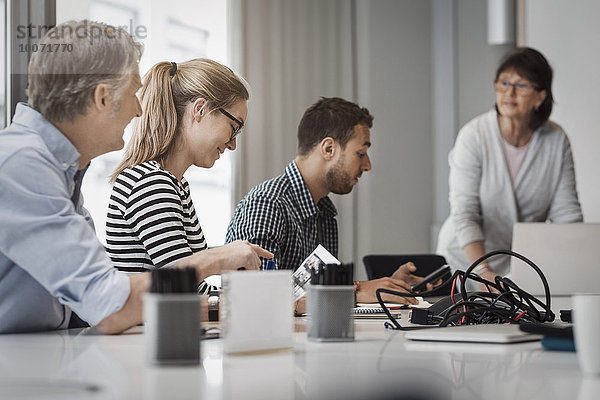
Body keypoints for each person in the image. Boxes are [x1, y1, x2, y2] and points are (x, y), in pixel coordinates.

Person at [0, 20, 271, 334]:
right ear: (103, 99)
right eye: (133, 94)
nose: (140, 110)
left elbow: (97, 292)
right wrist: (213, 260)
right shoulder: (24, 166)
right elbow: (109, 305)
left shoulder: (54, 168)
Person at [226, 97, 431, 310]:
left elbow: (306, 290)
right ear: (328, 149)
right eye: (360, 153)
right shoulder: (268, 204)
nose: (367, 165)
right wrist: (355, 290)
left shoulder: (323, 212)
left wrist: (390, 287)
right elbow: (251, 297)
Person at [105, 58, 259, 294]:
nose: (233, 144)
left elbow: (193, 291)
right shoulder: (152, 184)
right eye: (234, 127)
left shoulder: (174, 184)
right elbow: (186, 295)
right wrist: (270, 302)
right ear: (200, 109)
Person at [436, 47, 583, 285]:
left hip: (517, 263)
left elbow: (567, 217)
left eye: (521, 85)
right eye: (504, 83)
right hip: (465, 257)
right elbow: (465, 213)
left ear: (541, 96)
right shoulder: (474, 135)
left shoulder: (556, 140)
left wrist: (575, 268)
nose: (509, 93)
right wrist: (482, 271)